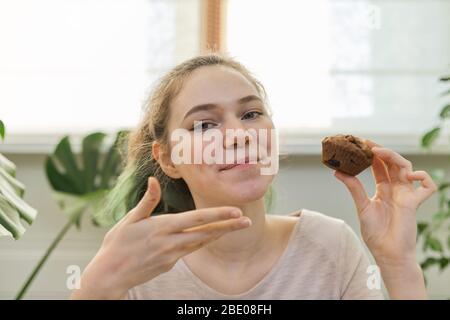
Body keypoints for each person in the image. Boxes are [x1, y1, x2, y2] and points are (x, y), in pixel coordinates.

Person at [71, 54, 437, 300]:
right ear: (167, 159)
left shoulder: (331, 248)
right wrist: (95, 287)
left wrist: (398, 262)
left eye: (250, 115)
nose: (239, 135)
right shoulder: (142, 267)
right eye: (204, 124)